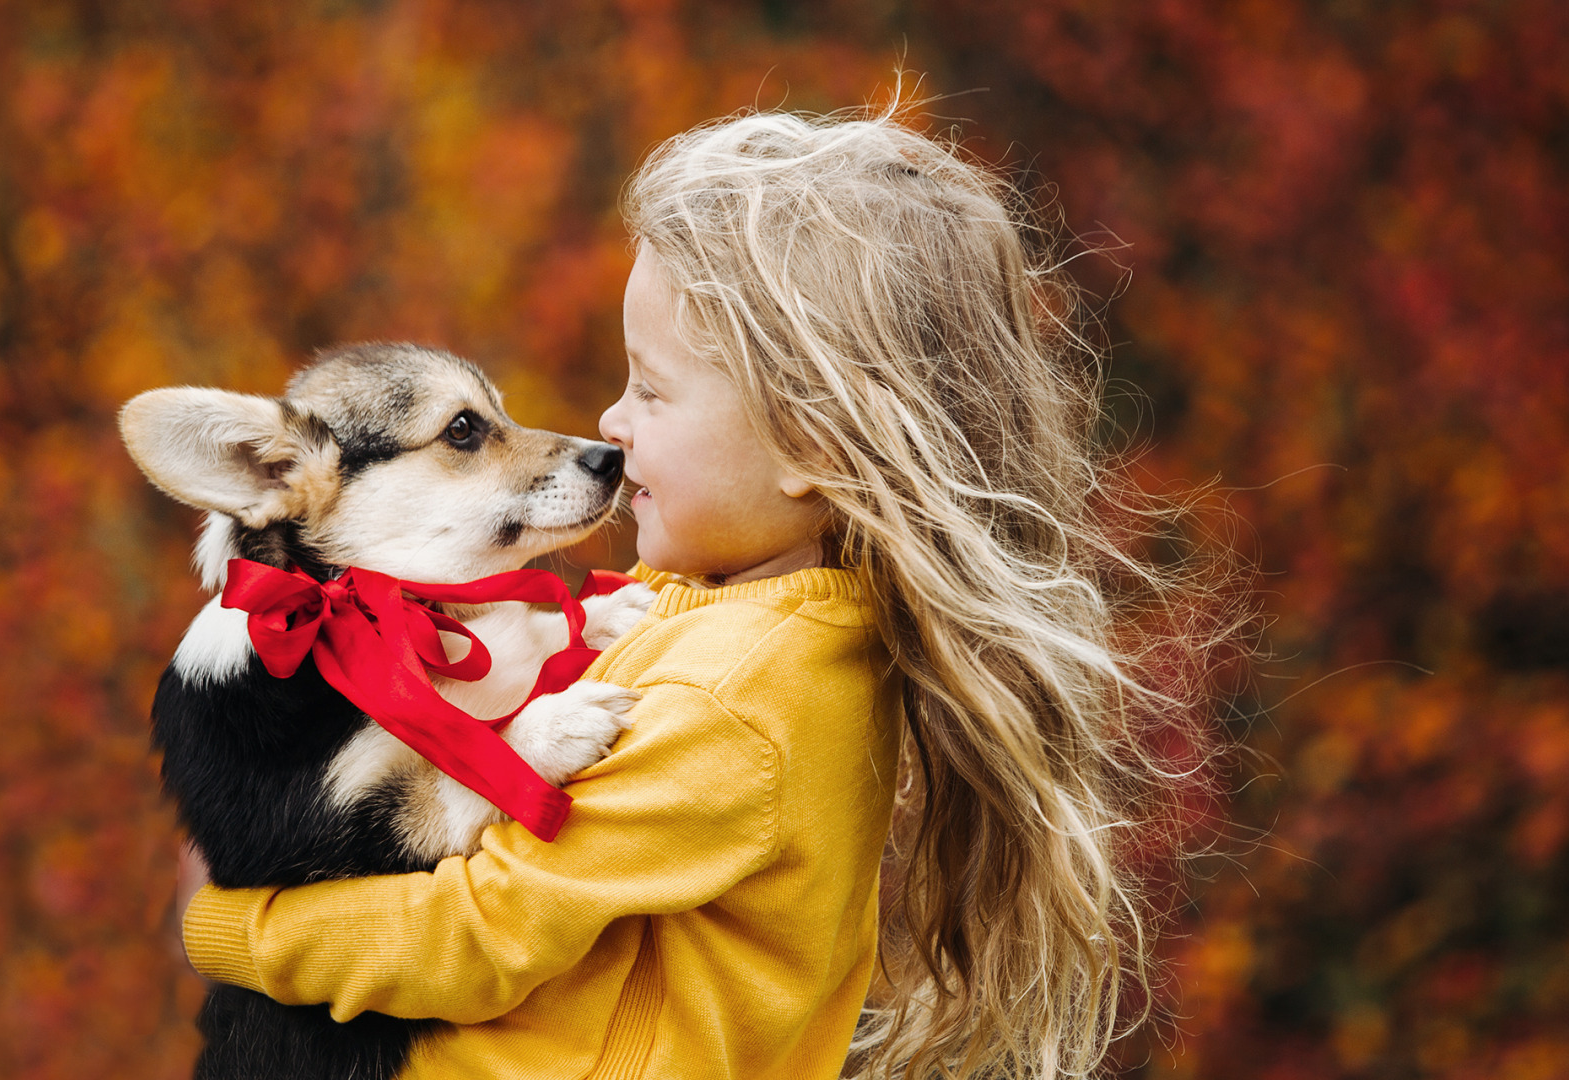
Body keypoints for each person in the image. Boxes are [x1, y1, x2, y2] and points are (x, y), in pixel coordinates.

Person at [181, 107, 1229, 1079]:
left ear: (809, 442)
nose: (611, 421)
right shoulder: (721, 616)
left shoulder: (736, 702)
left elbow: (481, 932)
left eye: (653, 389)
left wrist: (232, 930)